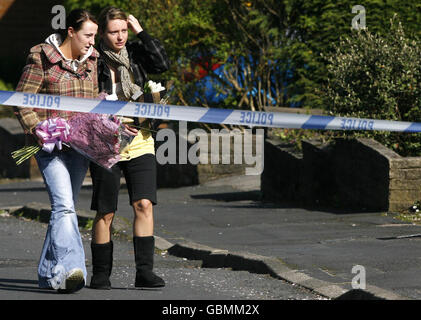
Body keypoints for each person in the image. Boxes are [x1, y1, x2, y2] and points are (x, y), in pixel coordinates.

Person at [14, 9, 99, 293]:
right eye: (87, 35)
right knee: (63, 205)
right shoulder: (42, 57)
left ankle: (46, 272)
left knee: (65, 210)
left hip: (80, 148)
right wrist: (38, 129)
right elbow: (21, 101)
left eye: (94, 36)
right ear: (71, 33)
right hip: (49, 147)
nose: (91, 42)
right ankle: (72, 269)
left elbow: (95, 105)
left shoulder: (93, 61)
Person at [89, 7, 169, 290]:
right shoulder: (93, 59)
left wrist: (141, 31)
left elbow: (162, 64)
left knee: (144, 204)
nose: (120, 36)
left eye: (124, 30)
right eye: (114, 31)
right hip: (104, 141)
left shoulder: (135, 53)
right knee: (106, 211)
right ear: (102, 32)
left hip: (140, 139)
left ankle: (144, 272)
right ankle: (101, 273)